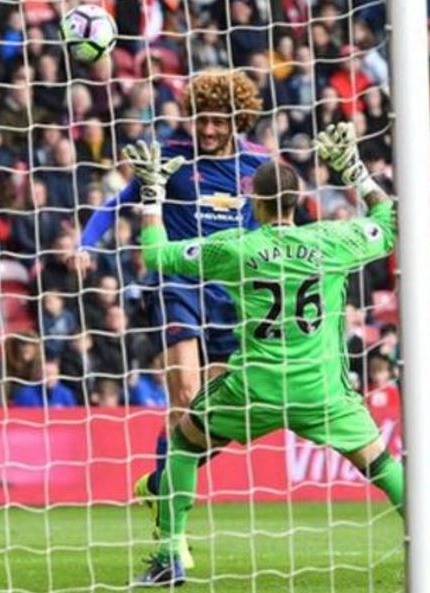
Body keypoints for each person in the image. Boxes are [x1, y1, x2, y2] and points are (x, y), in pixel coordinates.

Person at [132, 126, 430, 585]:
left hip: (255, 387)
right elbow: (393, 224)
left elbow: (154, 255)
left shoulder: (234, 248)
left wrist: (152, 192)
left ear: (254, 203)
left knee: (184, 443)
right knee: (383, 465)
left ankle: (171, 553)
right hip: (322, 387)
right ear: (298, 201)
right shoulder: (333, 240)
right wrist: (355, 171)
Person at [78, 70, 268, 534]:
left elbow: (273, 228)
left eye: (219, 121)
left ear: (238, 118)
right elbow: (116, 202)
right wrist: (86, 243)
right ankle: (172, 533)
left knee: (218, 414)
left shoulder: (259, 166)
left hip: (233, 297)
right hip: (176, 285)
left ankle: (161, 482)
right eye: (201, 119)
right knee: (183, 394)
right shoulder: (168, 157)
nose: (207, 129)